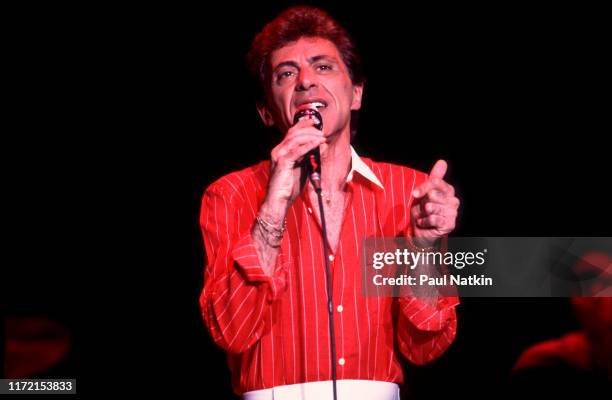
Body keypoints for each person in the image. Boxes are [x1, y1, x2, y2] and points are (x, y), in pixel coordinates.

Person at [199, 6, 461, 399]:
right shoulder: (229, 193)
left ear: (356, 93)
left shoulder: (411, 190)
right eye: (286, 74)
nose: (305, 81)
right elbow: (230, 331)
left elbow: (426, 345)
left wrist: (422, 249)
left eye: (323, 67)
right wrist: (273, 205)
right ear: (266, 111)